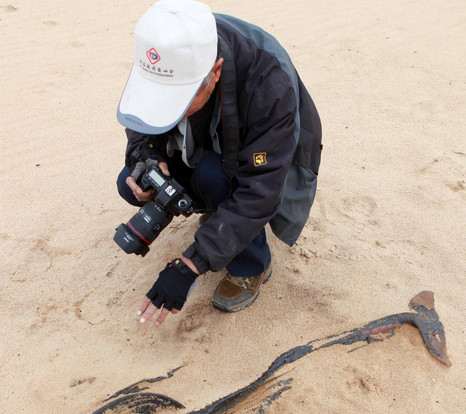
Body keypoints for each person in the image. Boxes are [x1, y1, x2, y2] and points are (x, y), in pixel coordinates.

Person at [116, 0, 322, 326]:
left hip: (259, 154)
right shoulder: (165, 47)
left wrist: (190, 264)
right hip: (205, 137)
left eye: (176, 101)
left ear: (214, 74)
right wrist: (145, 158)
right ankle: (216, 218)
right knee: (130, 180)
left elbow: (261, 188)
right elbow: (140, 114)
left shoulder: (270, 85)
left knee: (216, 179)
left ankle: (252, 265)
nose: (166, 111)